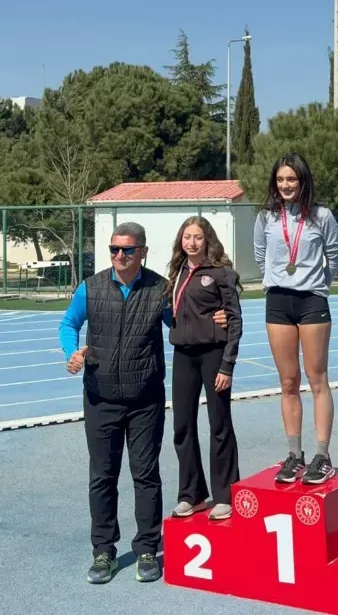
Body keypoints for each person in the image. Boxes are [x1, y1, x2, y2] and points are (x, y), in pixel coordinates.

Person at [58, 222, 227, 585]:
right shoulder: (91, 288)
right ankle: (103, 550)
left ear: (143, 252)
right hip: (100, 398)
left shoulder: (160, 290)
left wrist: (219, 315)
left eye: (127, 250)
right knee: (102, 477)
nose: (120, 255)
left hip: (145, 400)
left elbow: (184, 323)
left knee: (145, 476)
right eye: (114, 249)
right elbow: (68, 324)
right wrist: (71, 352)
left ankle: (147, 548)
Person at [253, 152, 338, 485]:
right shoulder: (266, 216)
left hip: (312, 301)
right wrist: (274, 280)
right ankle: (295, 455)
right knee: (288, 381)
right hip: (278, 301)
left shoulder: (321, 216)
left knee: (317, 378)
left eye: (291, 179)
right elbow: (260, 255)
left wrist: (319, 286)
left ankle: (322, 455)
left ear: (303, 181)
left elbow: (333, 256)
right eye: (280, 179)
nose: (285, 185)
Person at [167, 215, 242, 521]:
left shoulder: (221, 273)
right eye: (187, 237)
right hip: (183, 355)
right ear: (180, 240)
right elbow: (173, 312)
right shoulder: (176, 272)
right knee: (182, 426)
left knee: (219, 424)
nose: (192, 242)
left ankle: (225, 495)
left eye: (198, 237)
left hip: (213, 354)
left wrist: (227, 365)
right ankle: (192, 494)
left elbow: (234, 320)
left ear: (207, 239)